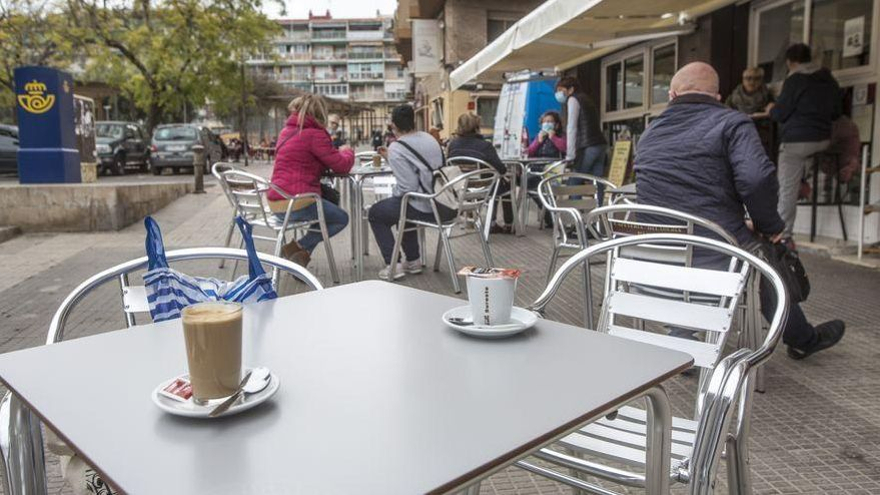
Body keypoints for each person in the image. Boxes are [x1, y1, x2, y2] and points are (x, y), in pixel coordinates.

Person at [634, 61, 844, 361]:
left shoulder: (649, 134)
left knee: (737, 238)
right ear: (718, 97)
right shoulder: (732, 123)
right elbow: (757, 179)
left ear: (671, 95)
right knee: (768, 255)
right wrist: (770, 226)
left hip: (651, 265)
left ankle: (683, 338)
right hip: (714, 259)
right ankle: (801, 338)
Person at [369, 105, 456, 280]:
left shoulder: (397, 147)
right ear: (413, 121)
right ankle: (414, 260)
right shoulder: (429, 138)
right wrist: (391, 158)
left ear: (393, 125)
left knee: (377, 213)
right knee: (404, 205)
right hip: (446, 203)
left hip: (428, 207)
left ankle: (394, 264)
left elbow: (407, 187)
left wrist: (393, 193)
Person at [268, 94, 354, 268]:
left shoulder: (286, 132)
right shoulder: (315, 134)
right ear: (320, 114)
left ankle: (299, 259)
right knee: (340, 218)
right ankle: (298, 248)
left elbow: (301, 160)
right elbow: (342, 166)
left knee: (322, 214)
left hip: (276, 203)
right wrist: (347, 151)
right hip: (298, 203)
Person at [768, 43, 842, 241]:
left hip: (797, 141)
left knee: (786, 187)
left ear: (790, 62)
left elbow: (780, 114)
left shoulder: (795, 80)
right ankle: (807, 179)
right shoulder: (827, 78)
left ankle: (783, 234)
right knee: (805, 162)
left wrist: (770, 109)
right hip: (824, 139)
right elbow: (837, 111)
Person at [447, 112, 514, 234]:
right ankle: (508, 224)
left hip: (462, 188)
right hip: (485, 189)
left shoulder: (453, 145)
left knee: (494, 181)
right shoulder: (485, 146)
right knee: (504, 184)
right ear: (477, 127)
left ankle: (491, 222)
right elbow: (501, 169)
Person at [555, 76, 607, 184]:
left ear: (571, 89)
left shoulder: (573, 99)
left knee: (574, 180)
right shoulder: (587, 99)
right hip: (600, 144)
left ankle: (574, 201)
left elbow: (571, 127)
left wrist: (570, 155)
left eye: (561, 90)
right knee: (598, 181)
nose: (558, 94)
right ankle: (600, 201)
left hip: (588, 146)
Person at [526, 111, 566, 228]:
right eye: (545, 122)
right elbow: (529, 152)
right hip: (537, 170)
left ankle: (550, 217)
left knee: (534, 184)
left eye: (550, 122)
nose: (547, 124)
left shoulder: (560, 136)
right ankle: (550, 215)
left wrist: (552, 137)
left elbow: (564, 148)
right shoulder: (540, 136)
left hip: (552, 171)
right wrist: (538, 141)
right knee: (527, 183)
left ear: (556, 125)